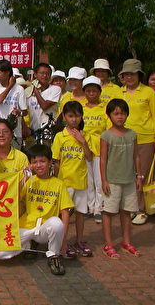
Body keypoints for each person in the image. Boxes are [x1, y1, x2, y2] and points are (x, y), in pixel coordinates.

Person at [0, 144, 71, 276]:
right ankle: (28, 245)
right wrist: (24, 178)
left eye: (42, 161)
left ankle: (54, 255)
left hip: (45, 229)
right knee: (0, 253)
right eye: (34, 162)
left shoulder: (59, 184)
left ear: (50, 162)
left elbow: (65, 212)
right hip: (26, 226)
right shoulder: (29, 181)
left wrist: (63, 241)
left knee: (56, 223)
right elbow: (13, 197)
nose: (38, 165)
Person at [118, 59, 155, 226]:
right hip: (123, 140)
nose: (129, 77)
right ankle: (131, 207)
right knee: (128, 176)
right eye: (126, 74)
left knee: (141, 175)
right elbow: (111, 116)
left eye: (133, 74)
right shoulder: (119, 92)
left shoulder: (148, 92)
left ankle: (141, 210)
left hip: (145, 139)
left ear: (139, 75)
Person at [100, 99, 142, 258]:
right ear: (109, 115)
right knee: (108, 212)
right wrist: (104, 180)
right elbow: (103, 159)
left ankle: (126, 241)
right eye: (116, 113)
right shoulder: (106, 135)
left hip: (129, 179)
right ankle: (108, 244)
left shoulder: (132, 134)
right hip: (112, 180)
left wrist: (139, 176)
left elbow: (136, 156)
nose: (119, 117)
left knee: (127, 211)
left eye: (123, 113)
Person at [52, 100, 93, 259]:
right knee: (65, 214)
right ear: (64, 116)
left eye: (77, 116)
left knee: (81, 213)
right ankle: (62, 243)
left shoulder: (85, 135)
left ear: (81, 117)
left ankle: (79, 241)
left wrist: (83, 142)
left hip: (81, 181)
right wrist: (56, 180)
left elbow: (89, 157)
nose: (74, 119)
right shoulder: (59, 136)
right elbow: (56, 161)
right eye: (70, 116)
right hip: (65, 182)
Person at [81, 76, 108, 224]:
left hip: (99, 148)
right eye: (88, 91)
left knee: (99, 180)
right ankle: (90, 206)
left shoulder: (105, 108)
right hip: (83, 147)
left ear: (99, 92)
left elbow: (108, 129)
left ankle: (99, 208)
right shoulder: (80, 107)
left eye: (94, 91)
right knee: (88, 180)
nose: (91, 93)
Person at [0, 59, 27, 146]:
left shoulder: (19, 89)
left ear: (7, 73)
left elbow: (25, 111)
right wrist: (10, 86)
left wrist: (19, 112)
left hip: (15, 132)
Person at [26, 63, 61, 139]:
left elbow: (44, 106)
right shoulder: (28, 92)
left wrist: (35, 91)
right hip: (33, 132)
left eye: (47, 74)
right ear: (35, 74)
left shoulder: (55, 89)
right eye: (42, 73)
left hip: (48, 132)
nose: (44, 76)